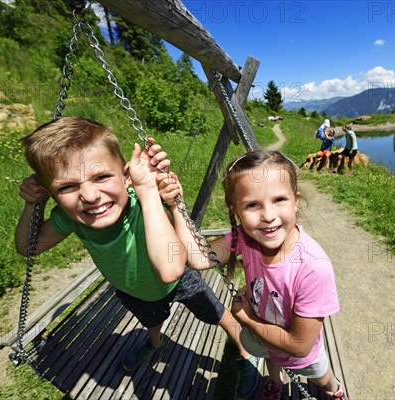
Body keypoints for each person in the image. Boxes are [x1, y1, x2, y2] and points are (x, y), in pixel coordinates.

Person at [15, 117, 260, 398]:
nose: (90, 195)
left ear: (126, 175)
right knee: (151, 323)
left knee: (217, 313)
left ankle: (245, 352)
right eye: (67, 187)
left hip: (178, 281)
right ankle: (154, 343)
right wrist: (34, 204)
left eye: (102, 177)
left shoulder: (143, 203)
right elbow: (28, 247)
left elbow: (171, 270)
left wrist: (149, 193)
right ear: (53, 194)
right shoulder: (70, 219)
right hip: (133, 289)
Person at [158, 150, 349, 400]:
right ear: (235, 210)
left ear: (296, 200)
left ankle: (334, 390)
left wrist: (247, 319)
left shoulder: (313, 268)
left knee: (321, 374)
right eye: (252, 205)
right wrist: (175, 206)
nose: (268, 215)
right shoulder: (246, 239)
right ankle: (274, 383)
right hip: (266, 338)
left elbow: (300, 346)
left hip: (297, 351)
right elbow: (195, 257)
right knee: (271, 359)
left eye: (279, 199)